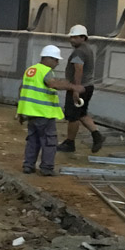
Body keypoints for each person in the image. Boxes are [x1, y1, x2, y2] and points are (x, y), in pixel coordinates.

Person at [18, 44, 84, 176]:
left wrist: (20, 111)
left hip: (31, 113)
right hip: (44, 113)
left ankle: (28, 165)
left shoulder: (31, 70)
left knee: (33, 140)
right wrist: (73, 87)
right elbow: (52, 84)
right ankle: (46, 168)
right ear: (48, 58)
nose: (57, 63)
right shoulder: (45, 71)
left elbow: (21, 89)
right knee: (49, 141)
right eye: (56, 60)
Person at [57, 24, 106, 154]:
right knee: (82, 114)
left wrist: (76, 90)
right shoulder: (88, 49)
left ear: (83, 37)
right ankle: (97, 136)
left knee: (73, 116)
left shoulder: (79, 52)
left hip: (80, 87)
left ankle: (70, 142)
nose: (72, 40)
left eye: (75, 37)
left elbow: (78, 70)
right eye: (71, 37)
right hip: (88, 86)